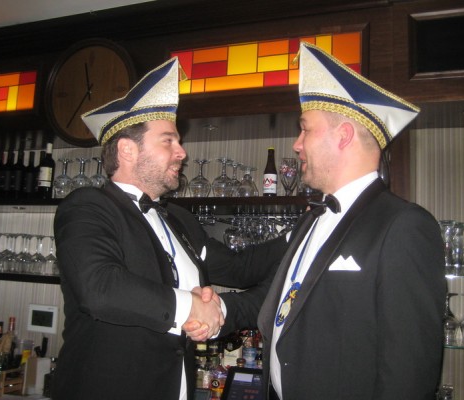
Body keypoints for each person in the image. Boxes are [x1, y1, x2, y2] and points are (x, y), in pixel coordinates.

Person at [52, 57, 288, 400]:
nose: (182, 153)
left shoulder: (180, 220)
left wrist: (301, 233)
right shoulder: (88, 206)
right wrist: (191, 306)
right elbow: (100, 288)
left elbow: (241, 269)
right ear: (127, 150)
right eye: (168, 141)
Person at [252, 42, 445, 399]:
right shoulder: (311, 220)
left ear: (343, 136)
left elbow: (410, 373)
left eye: (305, 129)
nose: (296, 144)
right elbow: (285, 301)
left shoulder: (404, 226)